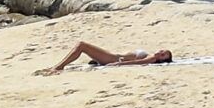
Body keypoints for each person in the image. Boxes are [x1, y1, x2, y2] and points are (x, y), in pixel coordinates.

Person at [34, 41, 173, 76]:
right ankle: (60, 65)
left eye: (162, 55)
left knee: (81, 45)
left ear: (161, 60)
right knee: (81, 46)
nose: (160, 52)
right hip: (111, 57)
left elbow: (138, 62)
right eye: (162, 51)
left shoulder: (151, 59)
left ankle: (59, 66)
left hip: (112, 59)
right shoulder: (150, 55)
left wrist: (117, 65)